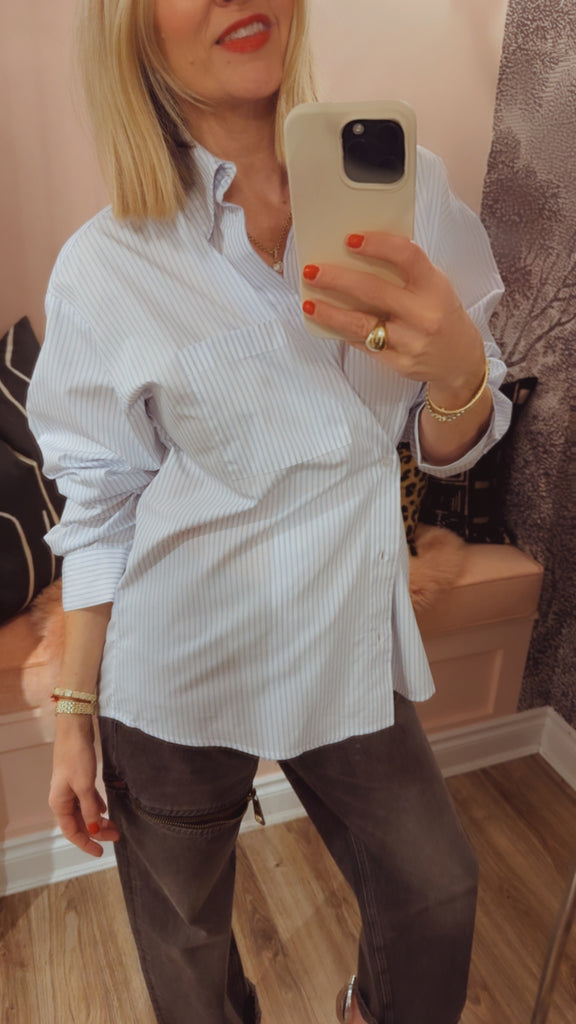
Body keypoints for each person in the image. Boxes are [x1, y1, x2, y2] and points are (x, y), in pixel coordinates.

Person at [27, 1, 512, 1022]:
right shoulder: (106, 266)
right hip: (177, 663)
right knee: (188, 946)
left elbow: (450, 439)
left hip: (342, 641)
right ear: (132, 28)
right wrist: (74, 718)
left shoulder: (411, 194)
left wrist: (460, 371)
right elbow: (101, 507)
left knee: (436, 890)